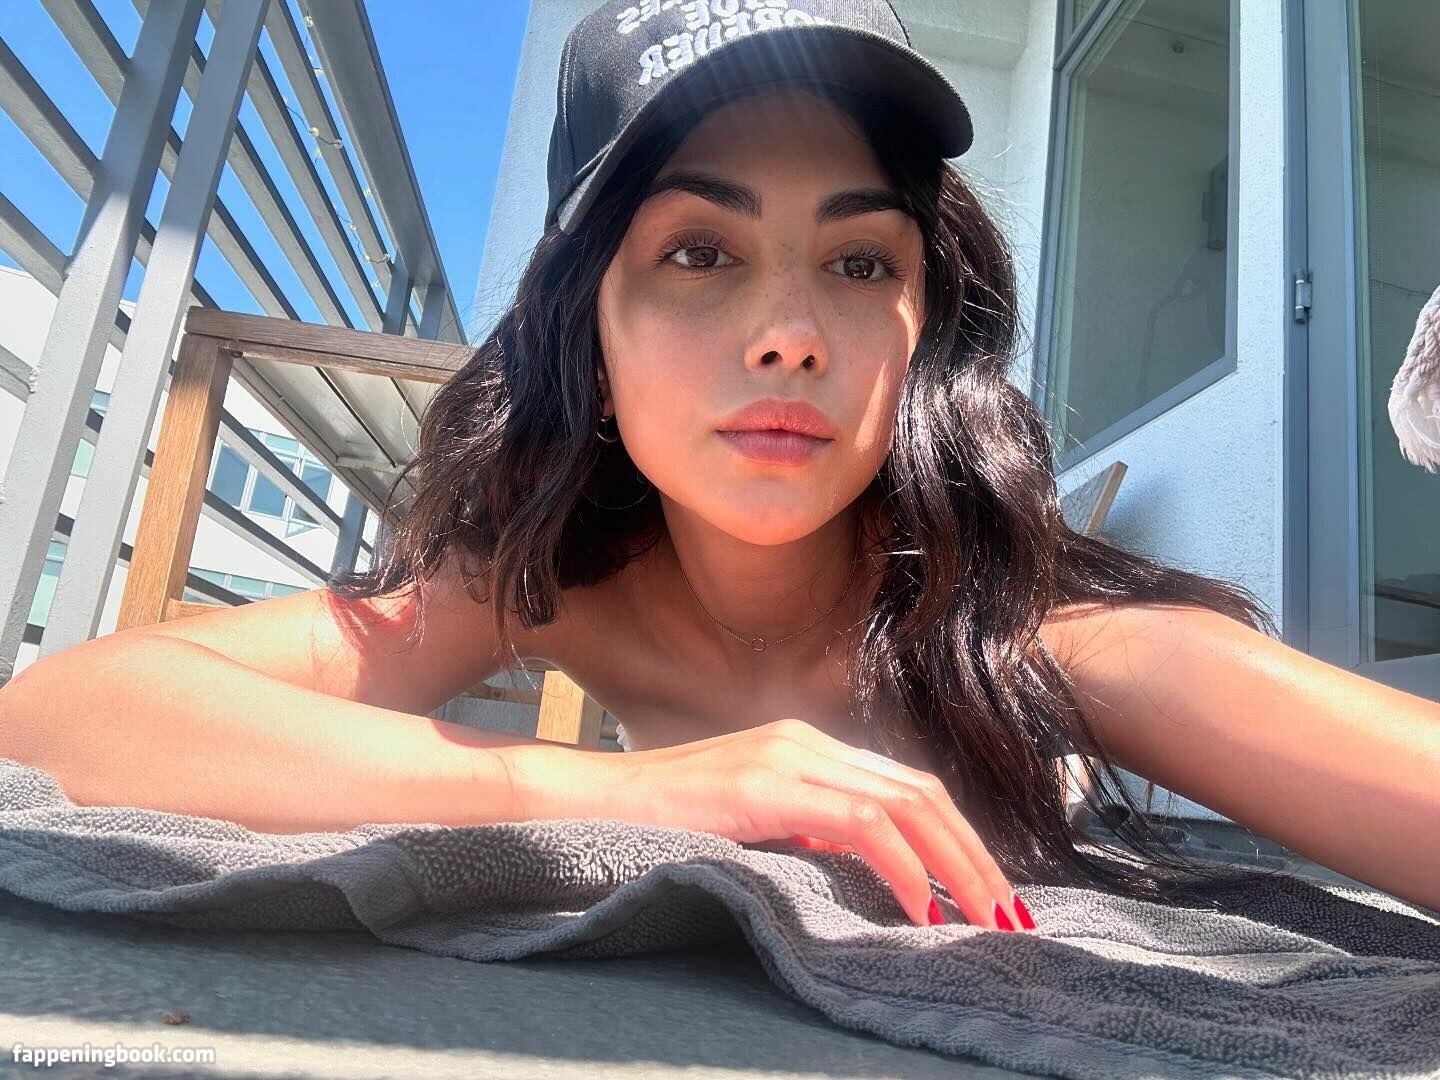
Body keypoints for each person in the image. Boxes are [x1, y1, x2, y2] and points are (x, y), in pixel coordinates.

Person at [6, 0, 1439, 931]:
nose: (790, 334)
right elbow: (64, 712)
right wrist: (637, 792)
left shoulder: (1031, 640)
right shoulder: (560, 586)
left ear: (923, 330)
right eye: (699, 251)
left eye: (860, 263)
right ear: (589, 324)